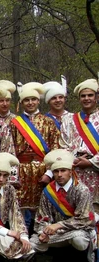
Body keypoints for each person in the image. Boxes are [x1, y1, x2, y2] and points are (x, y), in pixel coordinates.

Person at [30, 149, 97, 262]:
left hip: (78, 231)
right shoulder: (48, 192)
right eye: (56, 171)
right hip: (55, 233)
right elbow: (42, 217)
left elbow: (84, 220)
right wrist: (44, 231)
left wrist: (58, 225)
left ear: (70, 171)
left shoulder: (81, 190)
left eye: (63, 171)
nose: (60, 174)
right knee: (32, 243)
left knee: (79, 239)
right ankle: (56, 257)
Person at [10, 82, 60, 231]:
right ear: (22, 102)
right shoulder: (14, 123)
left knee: (43, 205)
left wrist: (50, 173)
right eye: (27, 100)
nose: (30, 103)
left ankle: (41, 237)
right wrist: (13, 175)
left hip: (42, 170)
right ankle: (22, 237)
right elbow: (9, 149)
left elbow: (56, 149)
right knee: (19, 206)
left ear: (38, 101)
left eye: (33, 99)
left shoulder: (49, 122)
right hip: (21, 170)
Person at [59, 78, 99, 210]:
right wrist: (74, 160)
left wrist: (91, 162)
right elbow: (63, 145)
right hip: (76, 171)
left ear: (96, 97)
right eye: (83, 96)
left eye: (90, 95)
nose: (86, 98)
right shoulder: (69, 119)